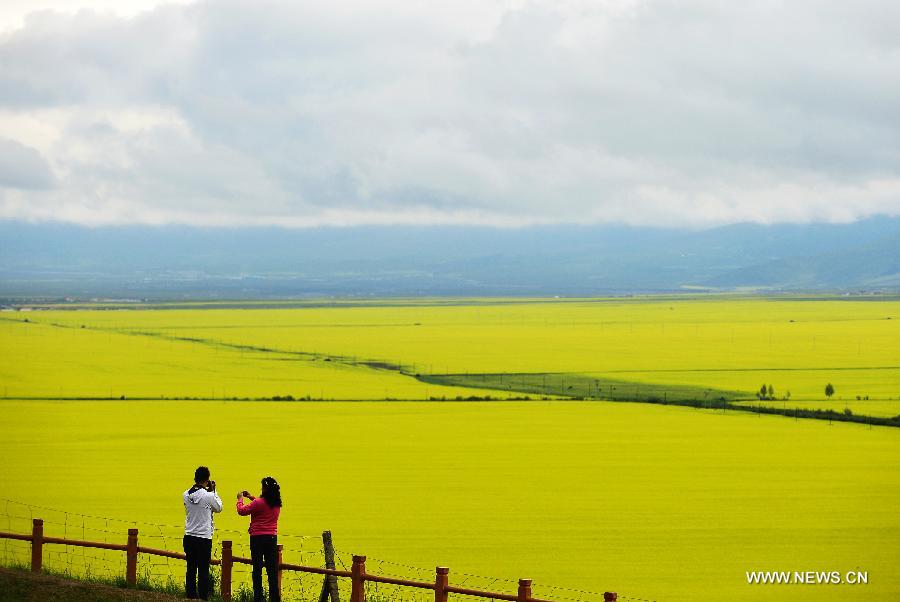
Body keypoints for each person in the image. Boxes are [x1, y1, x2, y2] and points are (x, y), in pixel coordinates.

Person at [236, 477, 283, 602]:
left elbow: (242, 511)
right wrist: (251, 497)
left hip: (257, 538)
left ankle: (258, 598)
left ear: (265, 489)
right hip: (272, 538)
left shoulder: (259, 503)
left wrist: (240, 499)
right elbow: (261, 505)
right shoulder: (277, 503)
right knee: (271, 570)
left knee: (257, 569)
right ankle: (275, 598)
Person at [183, 466, 223, 600]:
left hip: (189, 535)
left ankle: (190, 595)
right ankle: (203, 597)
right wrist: (213, 491)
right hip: (204, 537)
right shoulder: (209, 496)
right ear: (207, 480)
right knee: (203, 570)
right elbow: (218, 508)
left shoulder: (185, 495)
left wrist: (208, 490)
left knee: (191, 568)